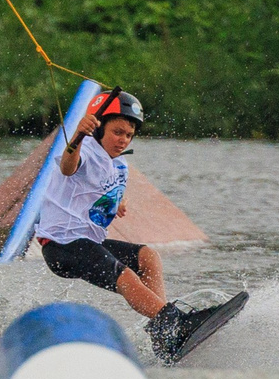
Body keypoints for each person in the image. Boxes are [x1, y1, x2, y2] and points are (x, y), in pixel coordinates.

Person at [34, 89, 242, 362]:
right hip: (62, 246)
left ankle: (164, 333)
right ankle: (174, 321)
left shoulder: (119, 164)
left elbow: (98, 192)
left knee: (148, 257)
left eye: (129, 135)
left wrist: (116, 203)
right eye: (117, 132)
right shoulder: (84, 150)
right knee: (126, 277)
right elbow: (68, 168)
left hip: (87, 243)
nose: (123, 140)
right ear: (98, 130)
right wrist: (78, 136)